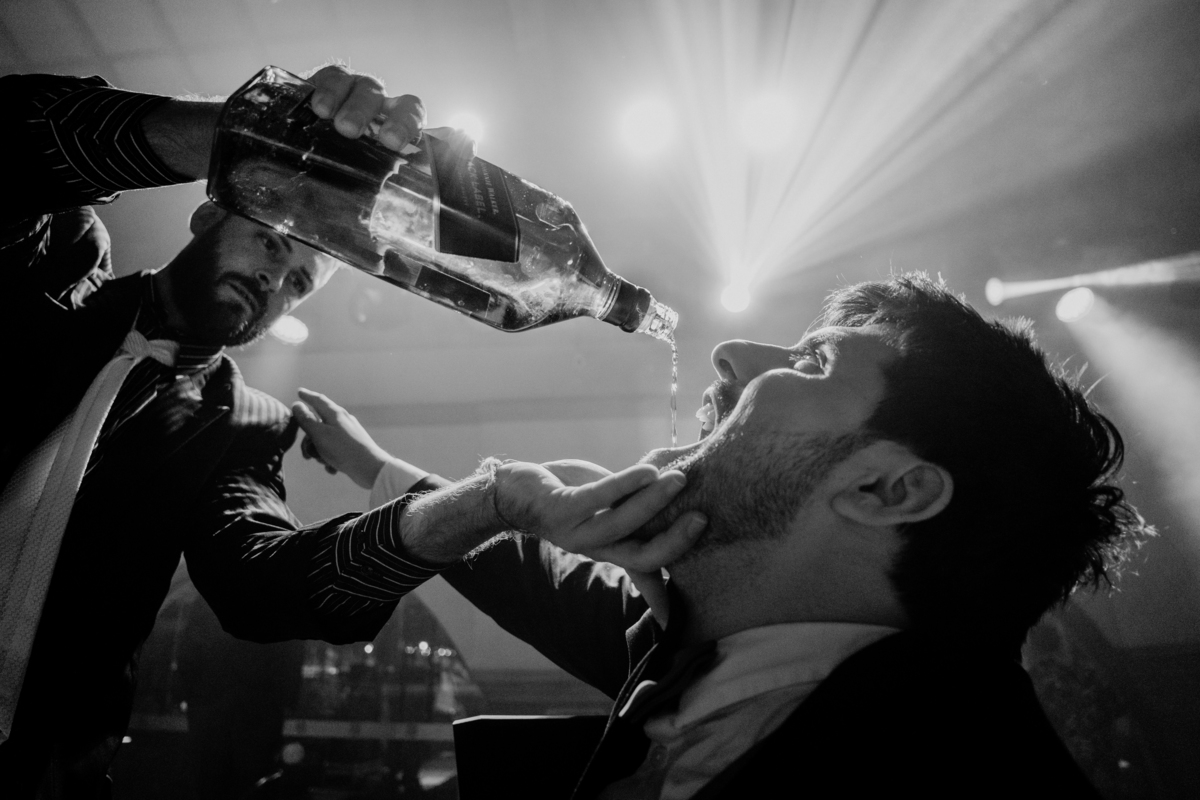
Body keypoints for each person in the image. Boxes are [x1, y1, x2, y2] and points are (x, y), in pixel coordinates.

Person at [0, 66, 691, 798]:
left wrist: (486, 505)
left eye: (299, 281)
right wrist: (253, 140)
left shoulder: (243, 423)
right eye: (270, 244)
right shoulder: (57, 266)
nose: (277, 281)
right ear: (209, 214)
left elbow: (267, 585)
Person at [294, 273, 1152, 798]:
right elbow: (519, 567)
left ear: (888, 489)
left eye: (814, 362)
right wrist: (383, 467)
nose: (732, 353)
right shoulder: (708, 645)